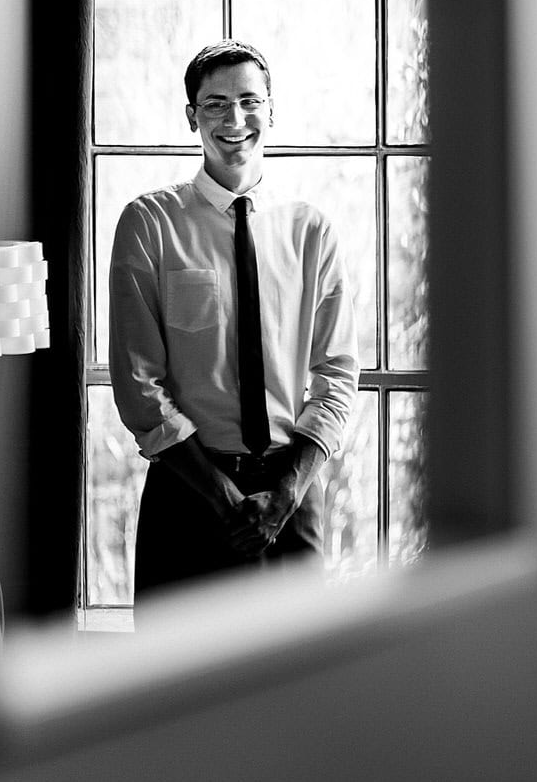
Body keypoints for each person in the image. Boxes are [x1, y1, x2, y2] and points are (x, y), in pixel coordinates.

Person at [109, 40, 359, 597]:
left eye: (249, 101)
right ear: (191, 116)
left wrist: (287, 493)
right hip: (189, 491)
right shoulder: (148, 224)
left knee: (301, 653)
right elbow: (138, 384)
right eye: (216, 104)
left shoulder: (311, 231)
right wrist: (223, 499)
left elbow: (337, 374)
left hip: (291, 494)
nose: (235, 119)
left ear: (272, 110)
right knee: (180, 651)